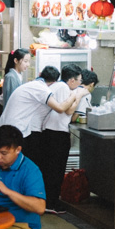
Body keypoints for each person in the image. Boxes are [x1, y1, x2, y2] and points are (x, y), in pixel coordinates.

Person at [0, 65, 87, 160]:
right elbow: (61, 108)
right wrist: (76, 95)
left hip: (12, 127)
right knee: (17, 162)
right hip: (17, 130)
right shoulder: (42, 88)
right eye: (80, 81)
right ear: (54, 82)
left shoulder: (33, 85)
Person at [37, 64, 85, 213]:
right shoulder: (64, 88)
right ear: (71, 80)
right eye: (79, 80)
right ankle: (52, 203)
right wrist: (79, 95)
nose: (79, 84)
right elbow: (69, 110)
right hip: (57, 134)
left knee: (49, 169)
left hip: (48, 133)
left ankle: (47, 202)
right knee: (56, 170)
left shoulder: (58, 87)